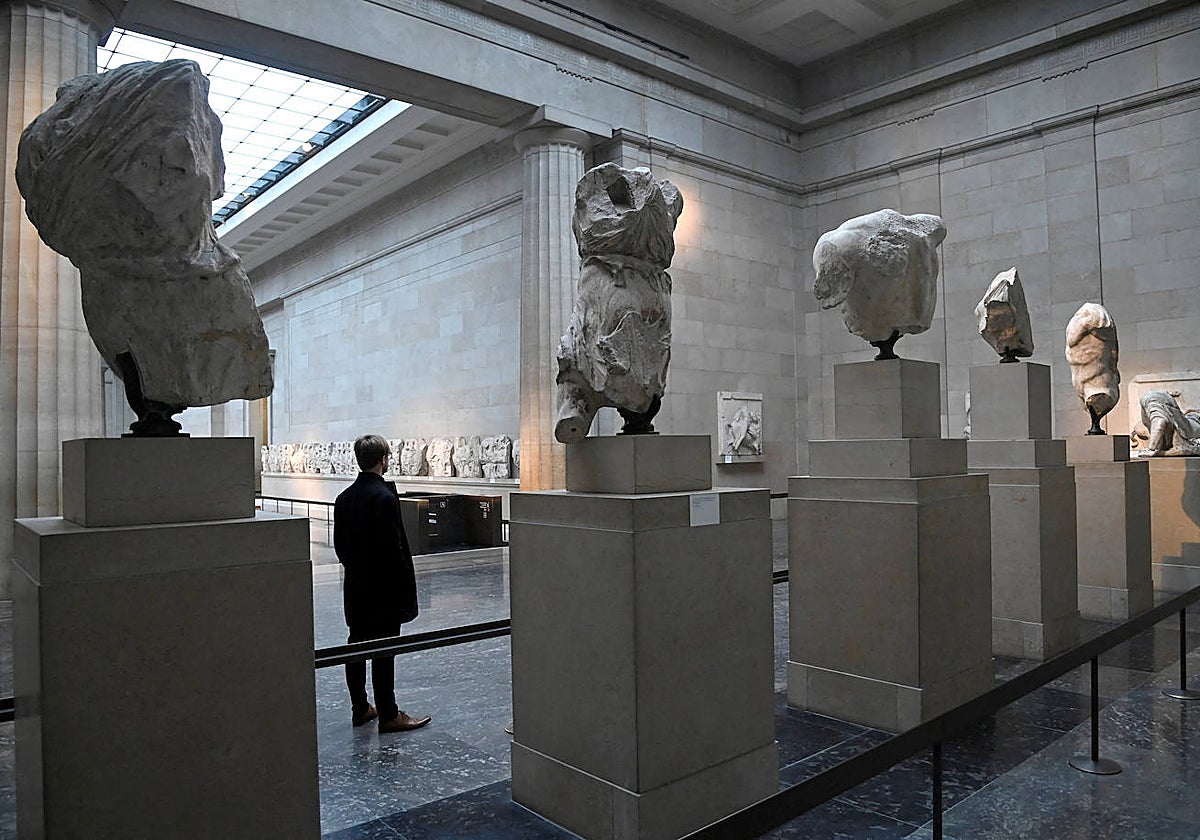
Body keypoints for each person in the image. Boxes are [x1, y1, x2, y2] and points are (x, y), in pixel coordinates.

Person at [334, 434, 431, 733]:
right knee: (384, 651)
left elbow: (340, 548)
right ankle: (389, 713)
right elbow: (393, 550)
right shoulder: (384, 498)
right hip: (383, 590)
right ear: (384, 459)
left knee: (356, 645)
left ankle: (360, 708)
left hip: (356, 587)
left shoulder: (344, 498)